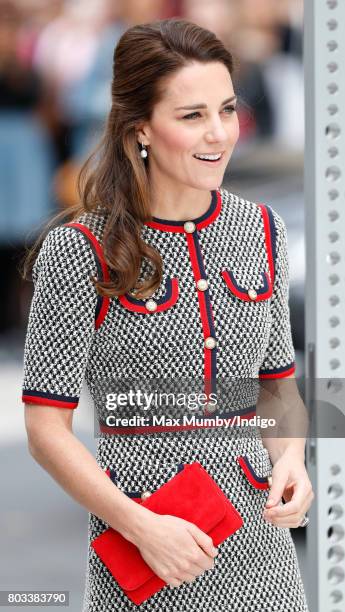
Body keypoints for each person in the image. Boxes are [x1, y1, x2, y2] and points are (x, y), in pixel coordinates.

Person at [21, 18, 314, 611]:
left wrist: (292, 459)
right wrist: (140, 525)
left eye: (227, 109)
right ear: (141, 131)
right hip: (149, 544)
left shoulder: (263, 231)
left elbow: (277, 389)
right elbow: (45, 430)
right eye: (191, 116)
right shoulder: (81, 249)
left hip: (262, 547)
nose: (219, 134)